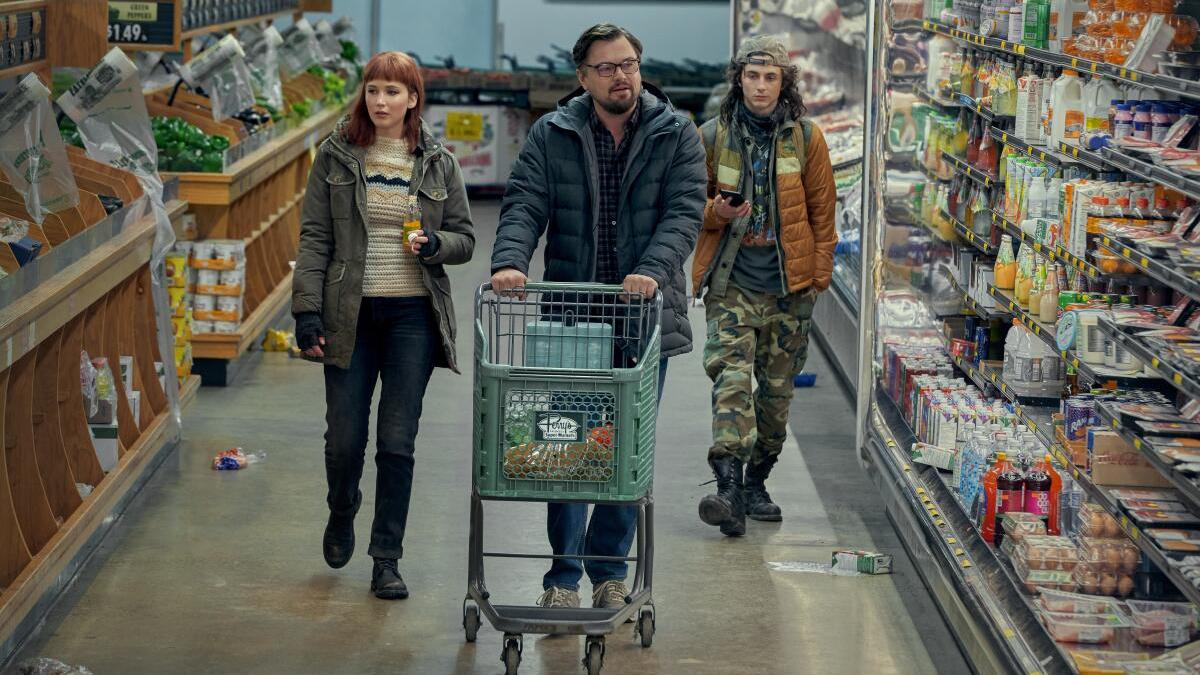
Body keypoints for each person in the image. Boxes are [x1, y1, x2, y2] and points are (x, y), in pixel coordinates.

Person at [491, 23, 706, 610]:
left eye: (629, 64)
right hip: (571, 315)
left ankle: (610, 567)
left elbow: (684, 212)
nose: (622, 76)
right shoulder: (552, 133)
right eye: (608, 67)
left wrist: (653, 270)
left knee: (625, 449)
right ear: (582, 76)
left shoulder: (675, 132)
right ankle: (562, 576)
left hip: (642, 318)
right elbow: (525, 203)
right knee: (566, 446)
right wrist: (510, 262)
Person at [292, 51, 475, 599]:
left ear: (413, 99)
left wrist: (436, 244)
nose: (380, 101)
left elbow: (465, 237)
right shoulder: (335, 155)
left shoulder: (439, 161)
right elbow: (315, 237)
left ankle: (387, 558)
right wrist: (306, 311)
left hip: (412, 316)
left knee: (397, 442)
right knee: (345, 440)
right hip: (350, 314)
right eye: (373, 90)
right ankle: (341, 508)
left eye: (393, 92)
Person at [693, 35, 837, 537]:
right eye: (752, 76)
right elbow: (692, 208)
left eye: (770, 77)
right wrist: (717, 212)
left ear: (784, 83)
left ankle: (756, 482)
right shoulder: (711, 136)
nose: (760, 86)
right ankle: (728, 490)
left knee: (774, 400)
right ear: (739, 80)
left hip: (788, 289)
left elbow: (823, 213)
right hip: (732, 283)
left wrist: (816, 278)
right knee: (731, 384)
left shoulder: (807, 139)